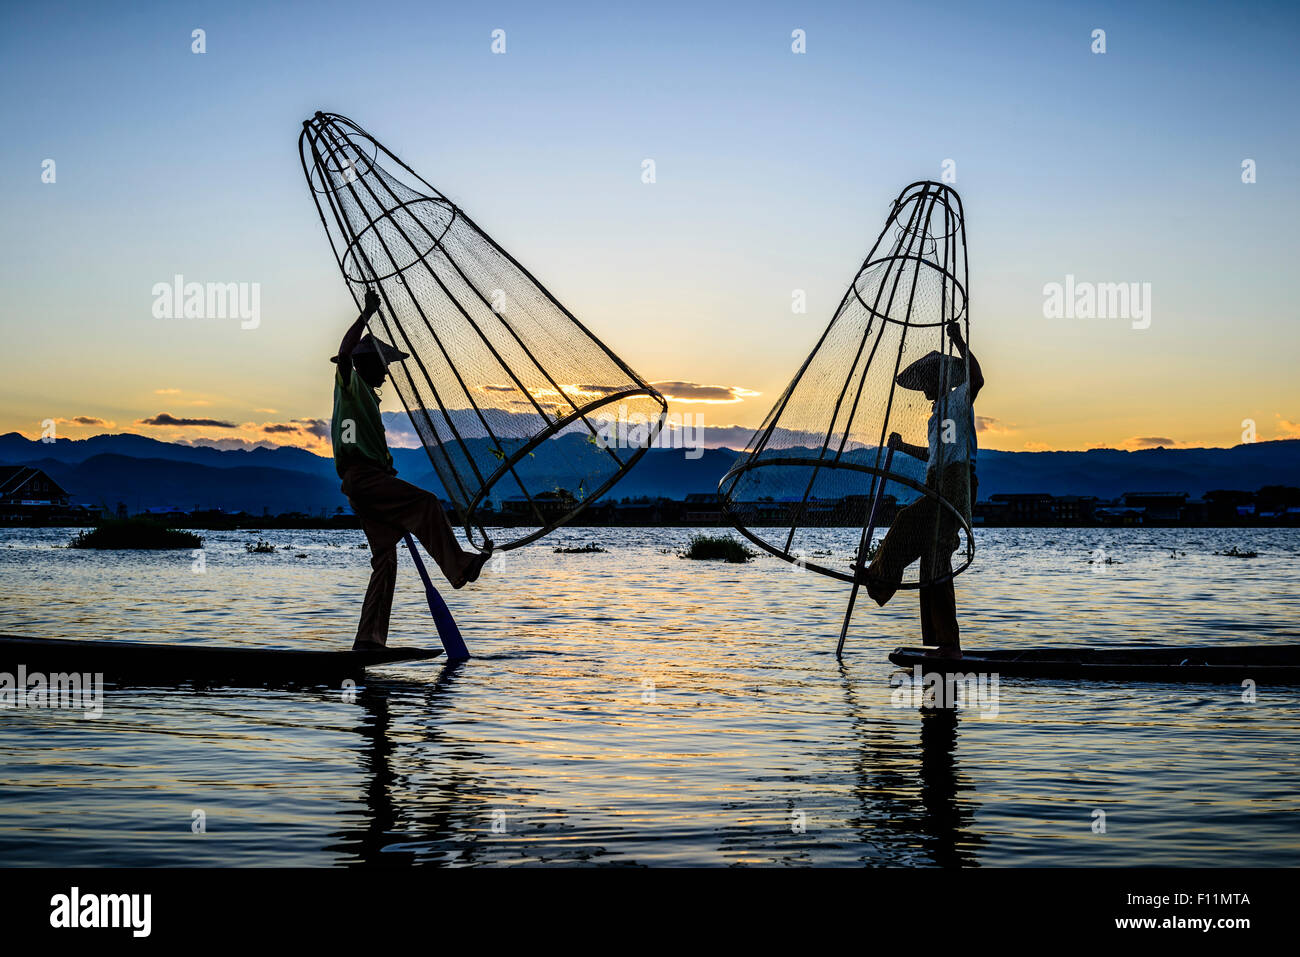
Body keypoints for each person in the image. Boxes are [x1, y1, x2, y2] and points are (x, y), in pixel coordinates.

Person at [332, 289, 491, 650]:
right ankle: (459, 567)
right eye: (382, 364)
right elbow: (344, 355)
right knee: (427, 503)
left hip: (369, 481)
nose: (386, 372)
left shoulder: (368, 397)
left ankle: (368, 640)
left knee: (386, 562)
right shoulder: (351, 384)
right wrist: (368, 312)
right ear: (366, 364)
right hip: (364, 481)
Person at [862, 320, 982, 658]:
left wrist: (958, 339)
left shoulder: (958, 401)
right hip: (938, 480)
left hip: (957, 482)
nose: (925, 387)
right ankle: (940, 641)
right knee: (926, 550)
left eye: (929, 380)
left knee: (925, 540)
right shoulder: (938, 415)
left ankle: (947, 644)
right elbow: (935, 454)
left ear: (942, 379)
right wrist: (903, 448)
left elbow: (978, 378)